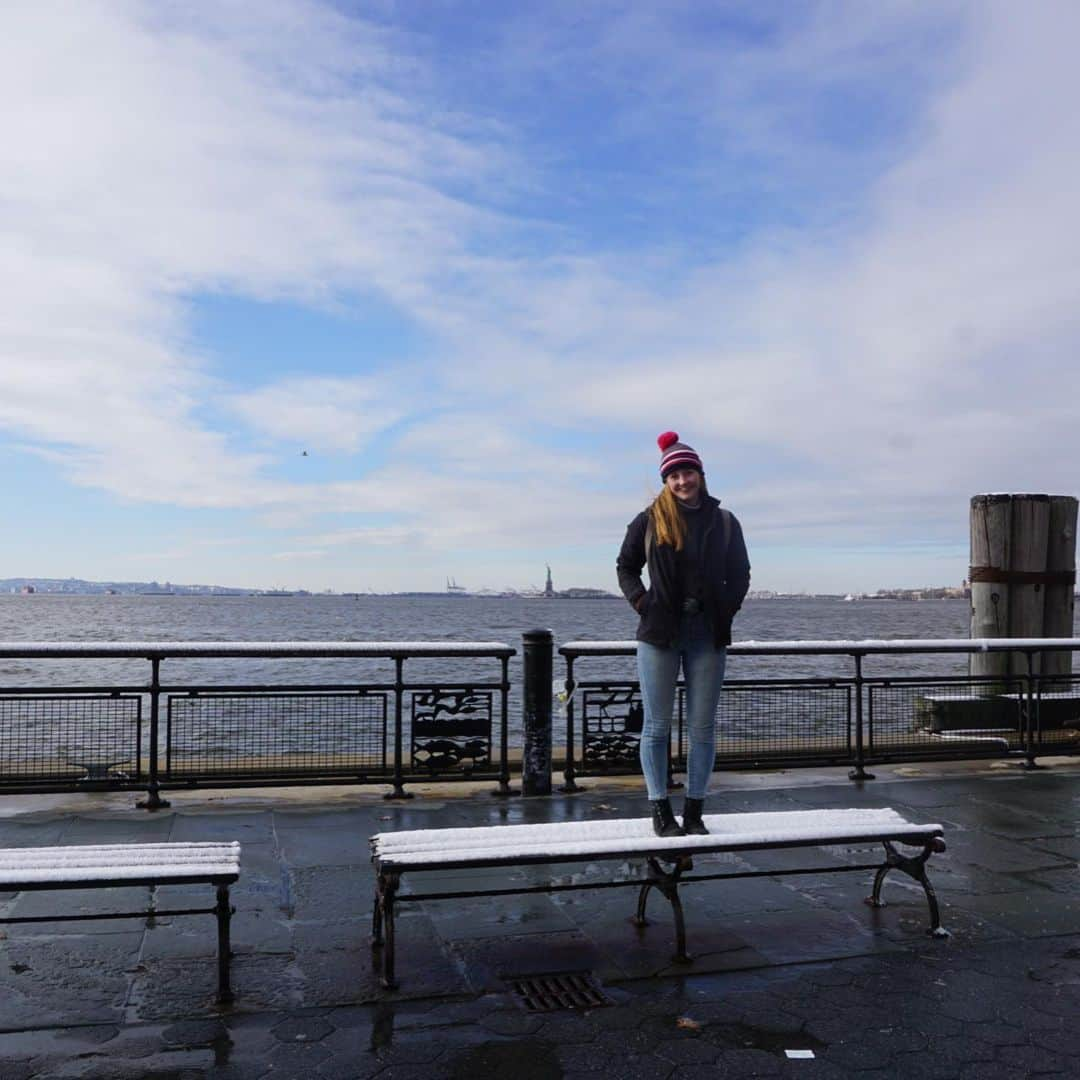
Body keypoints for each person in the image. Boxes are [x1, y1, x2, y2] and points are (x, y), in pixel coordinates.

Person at [616, 431, 751, 837]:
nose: (682, 482)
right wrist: (642, 602)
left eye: (687, 472)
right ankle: (660, 811)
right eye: (674, 476)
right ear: (666, 482)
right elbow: (625, 567)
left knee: (702, 728)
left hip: (706, 636)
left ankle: (694, 810)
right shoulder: (648, 520)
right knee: (656, 727)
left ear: (700, 474)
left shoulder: (724, 521)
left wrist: (725, 609)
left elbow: (740, 574)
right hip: (659, 634)